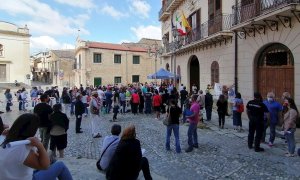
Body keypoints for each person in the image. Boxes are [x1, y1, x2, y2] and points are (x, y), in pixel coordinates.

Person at [0, 113, 73, 180]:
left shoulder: (3, 138)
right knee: (60, 166)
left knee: (53, 161)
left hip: (9, 175)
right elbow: (45, 165)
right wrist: (39, 145)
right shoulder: (22, 148)